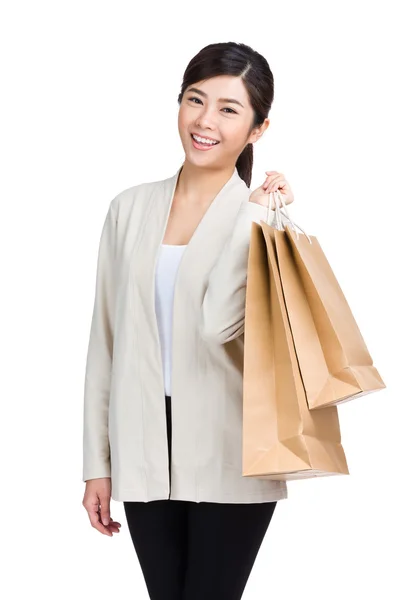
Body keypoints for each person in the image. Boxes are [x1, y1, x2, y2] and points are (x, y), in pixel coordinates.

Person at [82, 41, 295, 600]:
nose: (204, 121)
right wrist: (96, 464)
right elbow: (105, 343)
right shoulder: (128, 209)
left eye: (229, 109)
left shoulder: (262, 218)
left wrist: (256, 214)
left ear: (257, 128)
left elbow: (219, 324)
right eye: (195, 100)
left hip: (232, 447)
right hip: (142, 445)